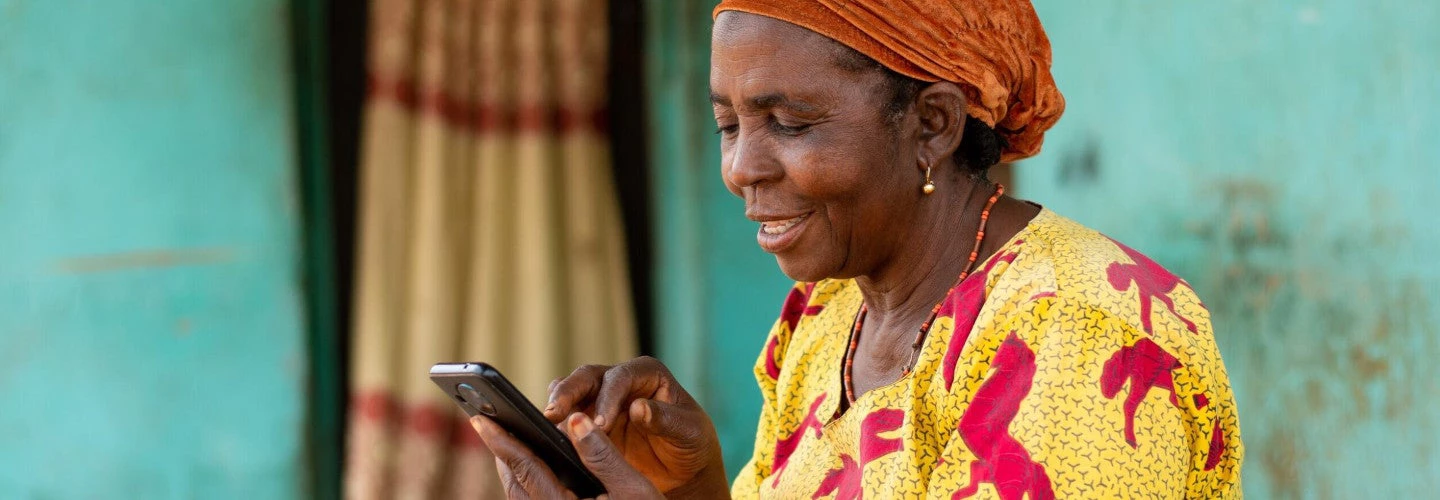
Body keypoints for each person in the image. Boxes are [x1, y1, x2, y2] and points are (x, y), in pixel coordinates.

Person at [469, 0, 1244, 498]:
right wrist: (694, 487)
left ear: (932, 125)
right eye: (729, 124)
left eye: (792, 124)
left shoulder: (1081, 333)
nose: (741, 168)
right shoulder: (829, 314)